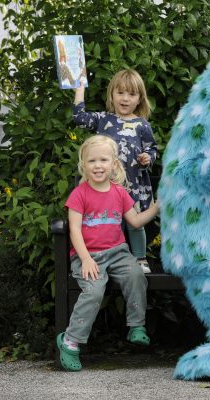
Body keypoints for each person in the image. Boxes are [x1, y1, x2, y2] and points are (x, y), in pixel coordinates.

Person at [56, 135, 159, 372]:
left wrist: (156, 207)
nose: (98, 165)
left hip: (118, 253)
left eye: (103, 160)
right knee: (93, 292)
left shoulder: (120, 193)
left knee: (135, 275)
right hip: (88, 255)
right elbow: (74, 229)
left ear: (114, 164)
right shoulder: (79, 194)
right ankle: (70, 341)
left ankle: (136, 326)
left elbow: (135, 222)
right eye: (92, 161)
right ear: (84, 164)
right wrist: (85, 259)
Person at [72, 68, 157, 273]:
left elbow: (151, 148)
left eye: (131, 94)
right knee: (111, 222)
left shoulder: (142, 125)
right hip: (107, 186)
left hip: (134, 184)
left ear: (139, 99)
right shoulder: (104, 120)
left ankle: (140, 258)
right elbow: (79, 118)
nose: (125, 98)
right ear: (112, 95)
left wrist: (147, 158)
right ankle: (111, 256)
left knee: (135, 224)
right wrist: (79, 90)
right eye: (120, 93)